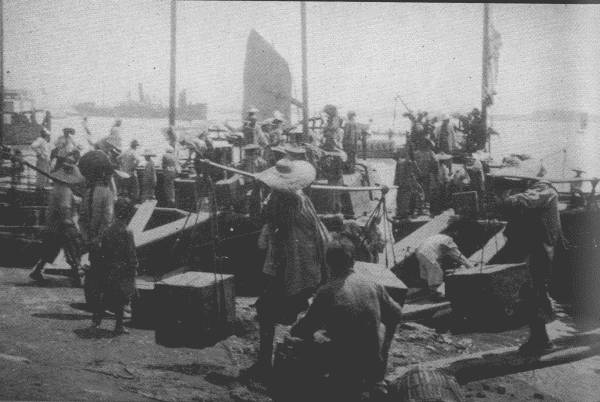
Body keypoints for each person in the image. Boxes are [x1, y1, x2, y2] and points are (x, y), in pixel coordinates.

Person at [242, 158, 330, 380]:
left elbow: (257, 219)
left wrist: (255, 190)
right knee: (301, 310)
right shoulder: (301, 197)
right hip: (309, 264)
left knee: (267, 311)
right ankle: (303, 362)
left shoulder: (283, 202)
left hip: (291, 266)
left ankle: (265, 364)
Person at [290, 238, 403, 400]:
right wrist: (384, 347)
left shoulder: (327, 291)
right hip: (373, 360)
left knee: (313, 336)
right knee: (381, 327)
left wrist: (297, 323)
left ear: (328, 264)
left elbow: (303, 329)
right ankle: (375, 378)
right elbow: (397, 313)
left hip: (344, 363)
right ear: (353, 261)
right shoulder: (372, 284)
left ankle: (319, 384)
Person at [499, 180, 563, 355]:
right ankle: (538, 338)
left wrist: (505, 197)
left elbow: (522, 201)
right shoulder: (531, 190)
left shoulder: (544, 190)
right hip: (531, 249)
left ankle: (542, 340)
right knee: (529, 293)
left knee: (535, 292)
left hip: (539, 250)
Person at [29, 157, 85, 285]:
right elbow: (64, 208)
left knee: (51, 248)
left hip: (54, 223)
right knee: (73, 246)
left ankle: (38, 270)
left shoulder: (59, 187)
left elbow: (68, 201)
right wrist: (71, 226)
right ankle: (77, 275)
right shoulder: (65, 190)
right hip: (61, 224)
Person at [91, 197, 138, 335]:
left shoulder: (108, 230)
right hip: (122, 270)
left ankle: (96, 321)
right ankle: (119, 325)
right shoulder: (127, 232)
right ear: (129, 214)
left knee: (105, 296)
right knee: (121, 299)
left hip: (108, 268)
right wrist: (134, 267)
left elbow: (103, 250)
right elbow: (131, 253)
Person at [415, 233, 475, 297]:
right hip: (427, 252)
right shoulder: (448, 240)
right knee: (436, 271)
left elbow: (439, 255)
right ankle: (436, 293)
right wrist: (471, 267)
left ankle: (428, 289)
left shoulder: (440, 238)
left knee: (427, 271)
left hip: (419, 251)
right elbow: (458, 256)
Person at [393, 148, 423, 219]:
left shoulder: (400, 161)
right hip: (407, 183)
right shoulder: (410, 162)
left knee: (401, 198)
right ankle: (404, 213)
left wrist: (397, 183)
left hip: (402, 183)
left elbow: (397, 174)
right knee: (407, 198)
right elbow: (418, 172)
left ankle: (401, 213)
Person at [319, 138, 347, 214]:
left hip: (336, 178)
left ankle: (336, 213)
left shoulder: (338, 155)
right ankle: (333, 212)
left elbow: (339, 169)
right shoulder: (328, 155)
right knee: (331, 198)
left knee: (335, 198)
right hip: (332, 178)